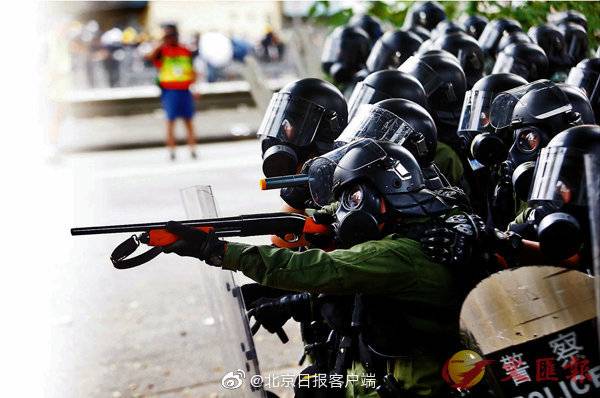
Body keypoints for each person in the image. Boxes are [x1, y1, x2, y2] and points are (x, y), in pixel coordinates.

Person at [162, 139, 463, 397]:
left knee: (315, 386)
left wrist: (217, 250)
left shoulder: (395, 254)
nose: (346, 208)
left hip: (408, 385)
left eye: (353, 198)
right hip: (403, 368)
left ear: (383, 194)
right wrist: (322, 223)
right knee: (312, 382)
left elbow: (309, 267)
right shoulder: (427, 222)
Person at [145, 24, 198, 160]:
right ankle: (172, 150)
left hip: (185, 90)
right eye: (167, 36)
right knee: (170, 121)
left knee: (189, 121)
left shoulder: (185, 50)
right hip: (170, 91)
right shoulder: (161, 51)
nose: (170, 39)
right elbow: (149, 58)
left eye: (172, 36)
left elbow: (192, 69)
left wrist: (195, 87)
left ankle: (192, 148)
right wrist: (160, 44)